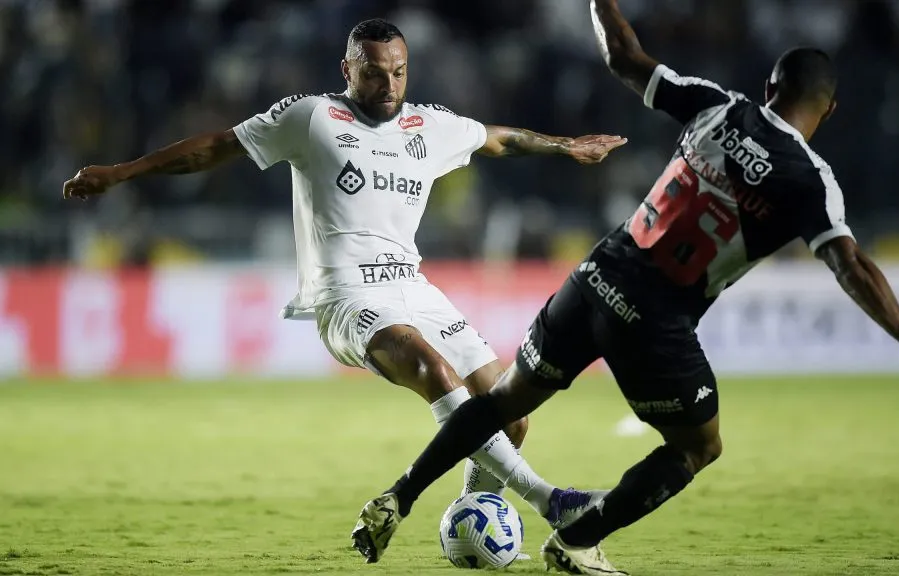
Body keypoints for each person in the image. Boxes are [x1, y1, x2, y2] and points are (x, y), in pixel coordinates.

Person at [351, 1, 899, 574]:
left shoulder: (719, 106)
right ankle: (579, 541)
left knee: (501, 402)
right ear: (829, 111)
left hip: (596, 276)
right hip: (657, 317)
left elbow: (623, 58)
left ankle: (398, 496)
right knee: (698, 447)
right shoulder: (810, 179)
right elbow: (850, 264)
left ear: (770, 88)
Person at [61, 18, 626, 564]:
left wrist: (566, 145)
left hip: (414, 287)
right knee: (430, 367)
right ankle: (553, 502)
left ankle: (477, 509)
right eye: (376, 73)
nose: (389, 86)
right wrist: (122, 172)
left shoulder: (428, 126)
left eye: (400, 73)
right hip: (346, 297)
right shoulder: (312, 117)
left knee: (511, 413)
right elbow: (215, 147)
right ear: (348, 69)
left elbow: (498, 140)